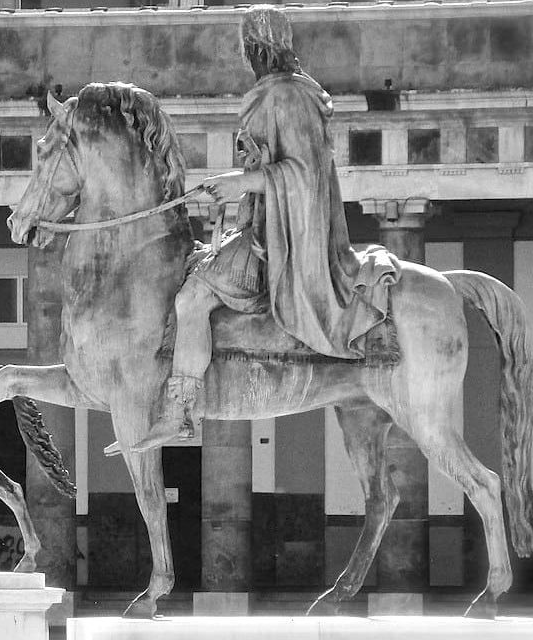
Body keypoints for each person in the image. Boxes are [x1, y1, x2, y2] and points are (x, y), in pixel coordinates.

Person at [134, 6, 398, 451]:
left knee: (191, 297)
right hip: (264, 226)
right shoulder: (280, 94)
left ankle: (179, 412)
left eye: (247, 46)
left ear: (257, 47)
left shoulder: (285, 97)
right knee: (194, 266)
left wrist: (240, 181)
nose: (245, 55)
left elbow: (303, 174)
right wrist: (243, 184)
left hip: (280, 241)